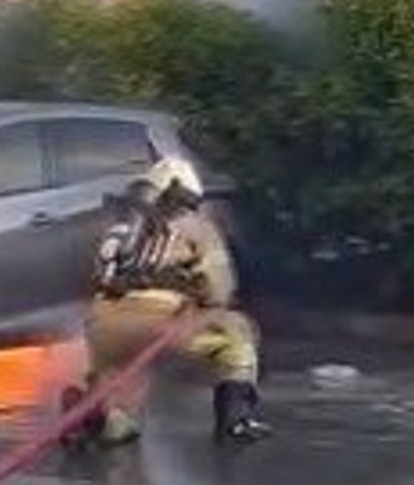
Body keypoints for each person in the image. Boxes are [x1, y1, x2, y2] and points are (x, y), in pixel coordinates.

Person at [63, 157, 270, 447]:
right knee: (239, 333)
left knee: (121, 421)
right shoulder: (198, 229)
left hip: (103, 327)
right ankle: (235, 420)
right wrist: (198, 307)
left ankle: (94, 415)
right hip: (158, 323)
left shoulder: (118, 229)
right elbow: (220, 291)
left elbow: (98, 276)